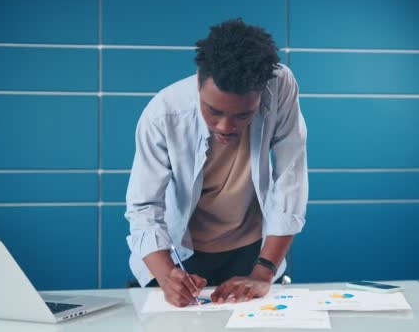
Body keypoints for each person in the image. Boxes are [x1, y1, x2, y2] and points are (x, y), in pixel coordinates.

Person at [125, 18, 308, 307]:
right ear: (199, 81)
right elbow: (144, 206)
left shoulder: (279, 86)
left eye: (242, 116)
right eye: (214, 111)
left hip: (251, 251)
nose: (225, 126)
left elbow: (291, 179)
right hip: (176, 252)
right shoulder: (163, 113)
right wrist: (165, 274)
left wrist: (264, 270)